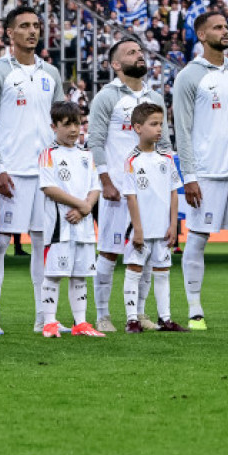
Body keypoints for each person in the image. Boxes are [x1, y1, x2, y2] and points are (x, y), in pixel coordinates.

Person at [171, 12, 228, 331]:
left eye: (227, 27)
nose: (226, 32)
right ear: (200, 34)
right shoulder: (189, 76)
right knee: (196, 239)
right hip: (207, 173)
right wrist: (190, 176)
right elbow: (181, 128)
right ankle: (195, 310)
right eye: (218, 27)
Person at [0, 6, 64, 335]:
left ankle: (45, 317)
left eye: (36, 26)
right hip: (10, 171)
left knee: (44, 243)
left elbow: (59, 123)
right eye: (24, 26)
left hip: (44, 173)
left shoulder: (51, 73)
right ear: (9, 34)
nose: (32, 31)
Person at [90, 39, 167, 333]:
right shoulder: (107, 97)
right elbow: (95, 141)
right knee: (109, 252)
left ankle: (140, 313)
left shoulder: (154, 97)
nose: (139, 55)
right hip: (118, 191)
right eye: (131, 52)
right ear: (116, 65)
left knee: (147, 253)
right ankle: (102, 315)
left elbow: (165, 144)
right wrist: (105, 180)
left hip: (151, 193)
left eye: (140, 51)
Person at [36, 101, 104, 338]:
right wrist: (81, 205)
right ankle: (49, 321)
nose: (74, 129)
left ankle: (81, 322)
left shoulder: (86, 154)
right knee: (54, 274)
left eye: (77, 123)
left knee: (80, 275)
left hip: (83, 227)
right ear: (54, 126)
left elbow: (95, 186)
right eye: (67, 125)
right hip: (59, 227)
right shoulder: (48, 154)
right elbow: (49, 188)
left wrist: (86, 208)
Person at [118, 103, 184, 333]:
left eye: (161, 124)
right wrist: (137, 229)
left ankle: (165, 318)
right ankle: (131, 319)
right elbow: (130, 197)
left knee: (163, 273)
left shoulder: (166, 158)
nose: (159, 129)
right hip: (140, 230)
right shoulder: (132, 160)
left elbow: (174, 192)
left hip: (162, 228)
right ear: (137, 127)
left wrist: (174, 225)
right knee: (134, 271)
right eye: (153, 124)